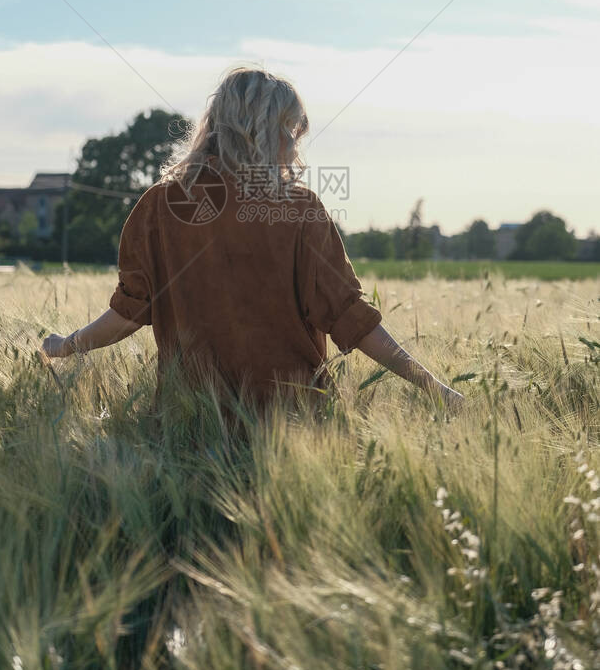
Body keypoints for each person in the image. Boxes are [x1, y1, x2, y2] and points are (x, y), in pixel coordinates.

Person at [41, 66, 464, 414]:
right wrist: (434, 387)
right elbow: (350, 315)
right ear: (258, 131)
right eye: (291, 131)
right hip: (294, 420)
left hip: (186, 425)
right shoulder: (296, 208)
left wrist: (67, 346)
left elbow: (128, 314)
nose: (296, 145)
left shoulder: (158, 205)